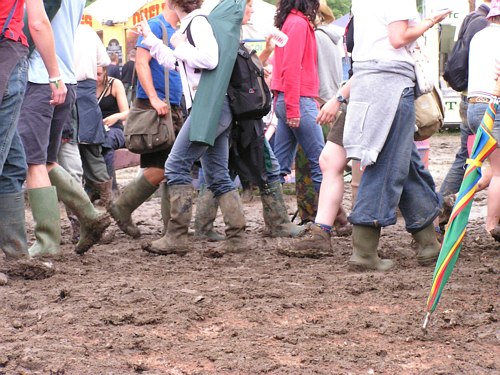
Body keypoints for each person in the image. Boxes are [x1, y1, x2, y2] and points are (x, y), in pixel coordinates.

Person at [329, 1, 450, 271]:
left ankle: (428, 243)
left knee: (404, 163)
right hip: (391, 86)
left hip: (367, 82)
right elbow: (398, 39)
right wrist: (431, 22)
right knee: (386, 167)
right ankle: (364, 253)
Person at [138, 0, 249, 256]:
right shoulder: (194, 24)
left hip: (208, 108)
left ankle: (176, 237)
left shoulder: (197, 24)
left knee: (176, 165)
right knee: (218, 173)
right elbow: (175, 62)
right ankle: (237, 236)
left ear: (172, 2)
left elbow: (209, 59)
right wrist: (152, 40)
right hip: (213, 107)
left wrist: (181, 46)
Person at [17, 0, 110, 257]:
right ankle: (90, 216)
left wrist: (52, 74)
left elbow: (36, 23)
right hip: (65, 80)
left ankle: (47, 243)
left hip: (41, 77)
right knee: (46, 160)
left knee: (32, 162)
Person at [0, 0, 65, 279]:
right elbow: (38, 22)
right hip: (8, 55)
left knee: (14, 163)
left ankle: (16, 257)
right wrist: (55, 74)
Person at [109, 3, 184, 239]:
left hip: (171, 106)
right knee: (162, 166)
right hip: (157, 108)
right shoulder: (155, 25)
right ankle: (121, 207)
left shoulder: (178, 30)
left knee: (172, 167)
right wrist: (153, 98)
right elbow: (141, 62)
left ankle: (170, 227)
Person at [438, 0, 492, 230]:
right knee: (482, 162)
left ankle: (441, 209)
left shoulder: (473, 19)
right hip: (486, 101)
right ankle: (445, 204)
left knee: (467, 157)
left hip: (469, 99)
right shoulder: (485, 24)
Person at [271, 0, 325, 203]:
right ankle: (335, 219)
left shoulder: (289, 22)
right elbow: (292, 68)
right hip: (297, 100)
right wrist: (294, 108)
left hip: (288, 99)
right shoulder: (299, 24)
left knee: (280, 165)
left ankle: (275, 218)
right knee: (321, 162)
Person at [467, 1, 500, 241]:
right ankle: (491, 227)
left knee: (492, 166)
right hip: (494, 105)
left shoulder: (479, 36)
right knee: (499, 172)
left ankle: (458, 199)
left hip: (473, 106)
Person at [74, 24, 114, 209]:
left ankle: (104, 207)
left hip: (69, 90)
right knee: (91, 153)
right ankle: (109, 207)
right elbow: (103, 61)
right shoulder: (87, 31)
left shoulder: (56, 25)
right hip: (87, 94)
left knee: (72, 155)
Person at [97, 65, 129, 193]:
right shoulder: (86, 85)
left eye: (99, 74)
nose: (96, 78)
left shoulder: (115, 84)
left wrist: (115, 117)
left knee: (106, 144)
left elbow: (127, 112)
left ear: (105, 71)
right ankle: (93, 188)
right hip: (94, 130)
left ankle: (111, 190)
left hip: (114, 129)